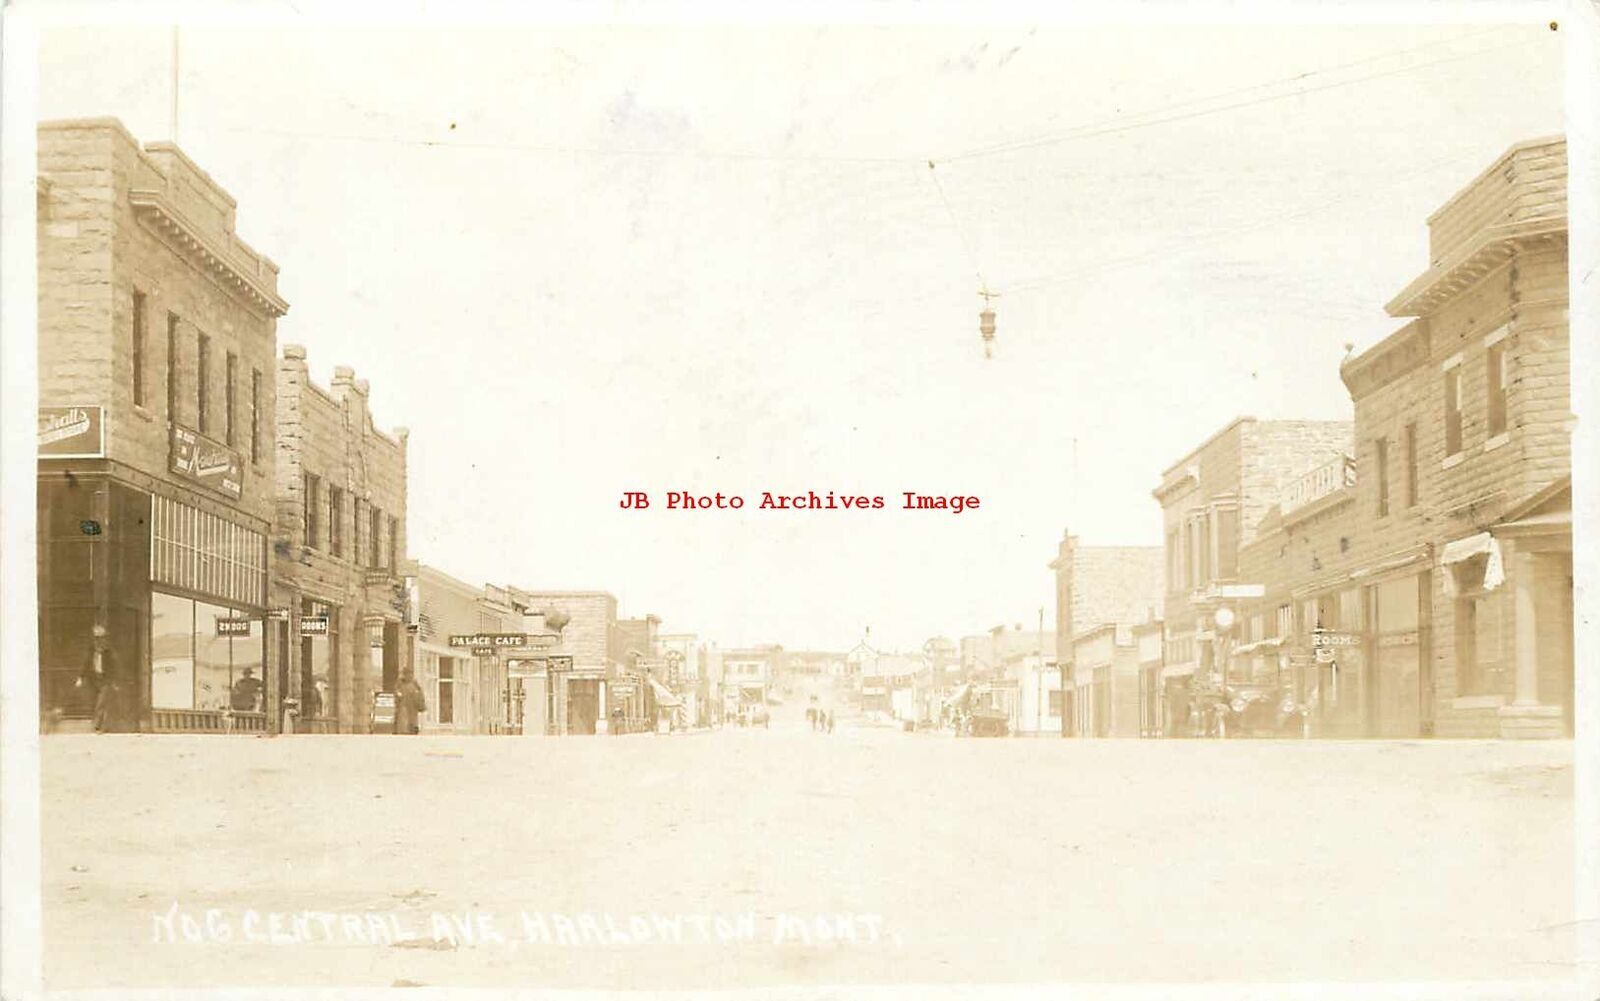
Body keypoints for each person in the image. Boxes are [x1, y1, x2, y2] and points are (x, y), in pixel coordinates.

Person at [78, 624, 122, 733]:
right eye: (96, 638)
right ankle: (98, 725)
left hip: (105, 680)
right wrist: (80, 677)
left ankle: (98, 726)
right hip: (93, 680)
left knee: (101, 703)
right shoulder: (91, 650)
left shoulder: (108, 652)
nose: (98, 641)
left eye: (101, 638)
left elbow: (113, 668)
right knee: (94, 702)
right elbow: (86, 664)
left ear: (104, 639)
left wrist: (114, 682)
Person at [395, 670, 427, 735]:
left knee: (411, 719)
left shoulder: (414, 684)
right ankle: (405, 730)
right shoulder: (400, 683)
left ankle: (411, 729)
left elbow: (419, 693)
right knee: (404, 719)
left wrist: (419, 701)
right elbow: (397, 693)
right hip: (404, 705)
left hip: (412, 706)